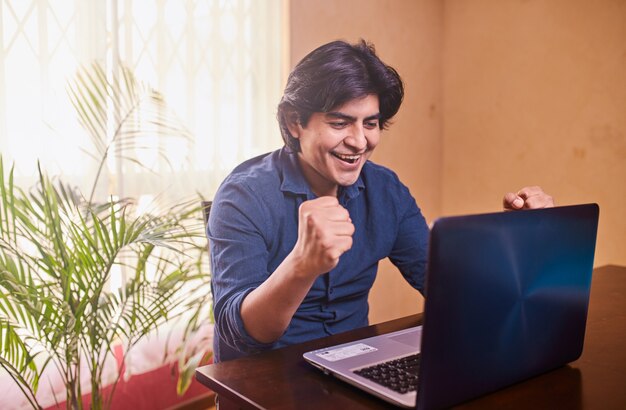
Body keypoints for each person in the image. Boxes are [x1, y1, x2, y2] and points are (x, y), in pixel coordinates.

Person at [207, 39, 554, 363]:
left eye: (370, 123)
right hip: (264, 382)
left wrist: (521, 240)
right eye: (340, 123)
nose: (359, 141)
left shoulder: (385, 190)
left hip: (352, 371)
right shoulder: (244, 196)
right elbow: (241, 335)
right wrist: (302, 265)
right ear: (294, 122)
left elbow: (450, 289)